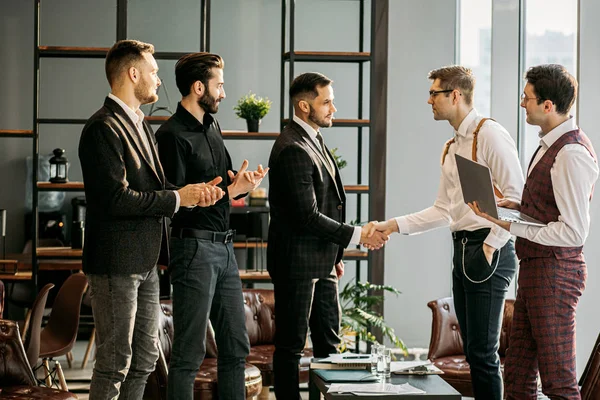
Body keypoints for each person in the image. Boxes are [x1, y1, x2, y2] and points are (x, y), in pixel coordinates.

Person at [79, 40, 223, 399]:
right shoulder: (102, 128)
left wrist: (196, 193)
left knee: (144, 359)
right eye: (154, 72)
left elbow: (159, 189)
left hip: (146, 262)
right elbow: (115, 199)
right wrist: (177, 197)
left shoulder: (141, 125)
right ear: (133, 73)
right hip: (117, 264)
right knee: (115, 362)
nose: (159, 81)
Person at [375, 65, 524, 399]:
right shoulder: (451, 146)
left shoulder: (489, 135)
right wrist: (393, 226)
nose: (429, 100)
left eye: (434, 93)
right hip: (462, 248)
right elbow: (443, 210)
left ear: (455, 95)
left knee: (483, 355)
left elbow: (517, 197)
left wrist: (490, 246)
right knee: (475, 354)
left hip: (488, 249)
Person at [469, 64, 599, 400]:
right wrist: (512, 203)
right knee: (516, 375)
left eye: (527, 98)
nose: (522, 104)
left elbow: (573, 233)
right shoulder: (548, 144)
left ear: (548, 105)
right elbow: (548, 208)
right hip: (535, 270)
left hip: (554, 274)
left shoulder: (570, 153)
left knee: (558, 382)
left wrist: (509, 224)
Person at [267, 72, 388, 399]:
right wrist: (359, 235)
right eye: (327, 102)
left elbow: (328, 204)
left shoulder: (313, 138)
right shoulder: (292, 147)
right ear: (304, 106)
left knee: (328, 348)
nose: (334, 108)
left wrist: (335, 256)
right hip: (296, 266)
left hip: (322, 265)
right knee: (291, 349)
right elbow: (306, 216)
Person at [156, 52, 266, 400]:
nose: (223, 92)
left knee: (236, 346)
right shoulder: (171, 135)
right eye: (218, 85)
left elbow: (224, 182)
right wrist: (229, 192)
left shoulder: (213, 127)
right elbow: (170, 201)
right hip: (193, 249)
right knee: (189, 354)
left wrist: (241, 183)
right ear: (198, 86)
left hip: (224, 249)